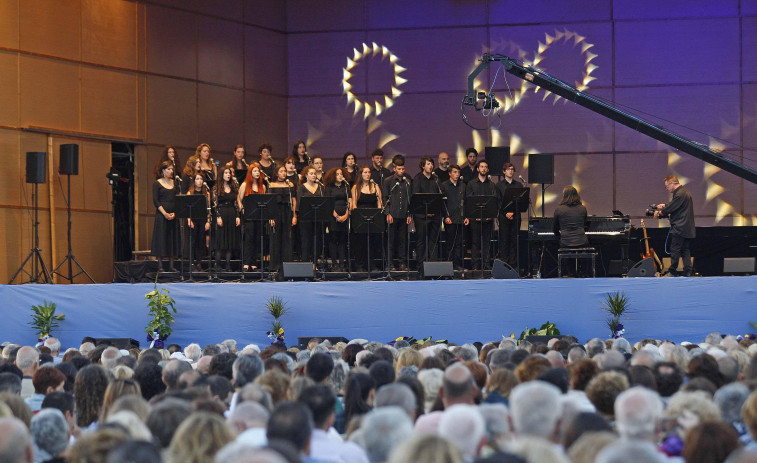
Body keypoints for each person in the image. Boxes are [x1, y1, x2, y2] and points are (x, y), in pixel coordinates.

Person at [654, 175, 695, 277]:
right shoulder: (684, 192)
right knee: (685, 250)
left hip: (679, 227)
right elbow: (676, 206)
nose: (667, 188)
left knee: (675, 249)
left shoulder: (680, 194)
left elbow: (672, 208)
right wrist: (665, 205)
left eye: (667, 186)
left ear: (672, 183)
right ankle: (688, 272)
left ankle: (672, 271)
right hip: (687, 227)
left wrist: (659, 213)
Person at [465, 160, 497, 270]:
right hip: (475, 218)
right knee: (475, 242)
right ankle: (475, 266)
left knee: (486, 243)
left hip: (488, 219)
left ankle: (486, 265)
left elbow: (493, 201)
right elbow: (469, 201)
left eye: (485, 167)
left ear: (487, 170)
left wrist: (490, 215)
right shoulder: (471, 183)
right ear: (478, 169)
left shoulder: (492, 184)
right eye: (482, 167)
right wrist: (475, 215)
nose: (483, 169)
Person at [412, 156, 443, 267]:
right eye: (428, 164)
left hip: (435, 216)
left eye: (431, 164)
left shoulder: (436, 179)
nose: (431, 166)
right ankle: (421, 265)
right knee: (421, 241)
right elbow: (416, 198)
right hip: (421, 216)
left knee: (433, 241)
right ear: (422, 166)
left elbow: (440, 197)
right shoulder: (417, 179)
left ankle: (433, 265)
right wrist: (426, 211)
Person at [383, 155, 412, 271]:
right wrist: (387, 213)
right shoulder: (388, 181)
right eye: (399, 169)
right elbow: (385, 198)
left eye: (403, 169)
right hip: (392, 215)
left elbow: (410, 199)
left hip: (404, 215)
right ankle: (389, 264)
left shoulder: (408, 182)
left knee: (402, 241)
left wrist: (409, 214)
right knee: (391, 241)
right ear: (394, 169)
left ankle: (402, 263)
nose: (401, 171)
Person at [352, 166, 383, 272]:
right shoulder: (356, 187)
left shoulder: (375, 186)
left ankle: (372, 264)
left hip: (373, 218)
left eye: (369, 172)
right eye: (365, 172)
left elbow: (380, 203)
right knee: (360, 243)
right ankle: (359, 265)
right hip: (360, 218)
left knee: (372, 242)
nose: (368, 174)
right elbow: (354, 205)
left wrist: (378, 215)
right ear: (361, 174)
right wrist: (357, 218)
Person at [268, 165, 297, 274]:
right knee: (275, 238)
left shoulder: (290, 185)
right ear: (276, 173)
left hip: (287, 212)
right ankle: (275, 265)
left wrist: (294, 215)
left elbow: (294, 201)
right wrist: (270, 217)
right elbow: (270, 202)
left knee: (287, 238)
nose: (284, 173)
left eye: (285, 171)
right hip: (276, 212)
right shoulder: (271, 185)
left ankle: (287, 264)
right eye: (281, 171)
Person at [238, 163, 267, 271]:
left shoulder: (262, 187)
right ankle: (246, 263)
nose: (257, 173)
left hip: (259, 217)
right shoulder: (245, 185)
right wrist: (242, 210)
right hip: (249, 217)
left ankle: (254, 263)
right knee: (249, 239)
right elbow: (239, 200)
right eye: (255, 171)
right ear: (250, 173)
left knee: (257, 239)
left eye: (258, 171)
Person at [151, 160, 179, 271]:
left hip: (173, 214)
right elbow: (156, 201)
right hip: (162, 215)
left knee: (172, 238)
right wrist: (165, 213)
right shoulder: (157, 183)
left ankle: (172, 265)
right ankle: (160, 265)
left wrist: (174, 213)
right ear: (163, 170)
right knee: (161, 238)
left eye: (172, 169)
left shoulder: (175, 183)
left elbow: (178, 200)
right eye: (168, 169)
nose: (171, 171)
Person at [496, 162, 525, 268]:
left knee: (514, 240)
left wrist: (512, 212)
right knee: (504, 240)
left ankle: (514, 265)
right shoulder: (499, 185)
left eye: (512, 169)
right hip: (503, 217)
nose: (511, 171)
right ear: (504, 171)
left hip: (515, 215)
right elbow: (498, 201)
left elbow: (521, 201)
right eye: (508, 169)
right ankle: (504, 264)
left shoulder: (518, 185)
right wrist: (506, 213)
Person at [442, 164, 468, 270]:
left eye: (458, 172)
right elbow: (443, 203)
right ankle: (449, 264)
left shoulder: (462, 186)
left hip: (460, 217)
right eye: (454, 172)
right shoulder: (444, 185)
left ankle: (457, 264)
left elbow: (465, 202)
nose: (457, 174)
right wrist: (446, 216)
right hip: (450, 218)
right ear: (450, 173)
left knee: (459, 243)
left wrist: (466, 216)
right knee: (450, 242)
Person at [297, 166, 325, 264]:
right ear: (306, 175)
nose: (314, 175)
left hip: (317, 218)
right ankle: (305, 264)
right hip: (305, 219)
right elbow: (300, 203)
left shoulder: (320, 187)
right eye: (311, 174)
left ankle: (314, 263)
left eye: (315, 173)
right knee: (306, 241)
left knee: (316, 241)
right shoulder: (302, 188)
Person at [324, 167, 351, 271]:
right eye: (337, 174)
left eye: (341, 174)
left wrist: (346, 215)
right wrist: (336, 216)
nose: (340, 176)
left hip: (345, 215)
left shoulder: (346, 186)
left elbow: (349, 202)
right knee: (333, 239)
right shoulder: (329, 188)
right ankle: (334, 263)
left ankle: (342, 263)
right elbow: (328, 203)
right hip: (333, 216)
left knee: (342, 240)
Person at [215, 167, 241, 271]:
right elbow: (214, 204)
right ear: (222, 175)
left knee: (230, 241)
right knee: (221, 241)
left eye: (229, 173)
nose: (228, 175)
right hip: (221, 213)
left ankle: (228, 264)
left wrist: (238, 216)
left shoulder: (233, 188)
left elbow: (236, 203)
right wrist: (217, 216)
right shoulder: (216, 188)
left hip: (231, 214)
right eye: (226, 173)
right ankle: (217, 264)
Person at [185, 173, 210, 270]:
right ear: (194, 181)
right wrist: (189, 220)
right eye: (197, 179)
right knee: (192, 241)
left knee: (201, 241)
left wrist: (208, 221)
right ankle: (191, 263)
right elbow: (187, 209)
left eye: (201, 179)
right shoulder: (190, 193)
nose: (199, 181)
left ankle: (199, 262)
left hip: (202, 219)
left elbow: (208, 209)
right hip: (193, 220)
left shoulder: (206, 193)